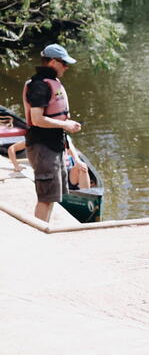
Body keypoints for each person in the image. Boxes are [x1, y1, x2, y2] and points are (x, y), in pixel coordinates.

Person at [23, 43, 82, 221]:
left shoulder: (51, 83)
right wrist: (65, 125)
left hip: (53, 146)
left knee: (52, 197)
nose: (66, 67)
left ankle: (44, 230)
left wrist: (67, 124)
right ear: (53, 62)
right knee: (46, 198)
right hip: (42, 147)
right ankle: (39, 236)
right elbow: (37, 119)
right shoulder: (40, 86)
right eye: (64, 63)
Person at [8, 136, 90, 190]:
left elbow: (72, 151)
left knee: (83, 167)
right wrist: (16, 166)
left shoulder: (64, 137)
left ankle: (87, 195)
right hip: (52, 175)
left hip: (68, 174)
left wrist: (77, 161)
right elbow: (11, 149)